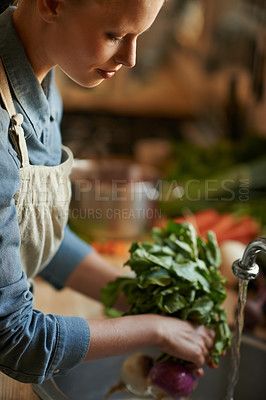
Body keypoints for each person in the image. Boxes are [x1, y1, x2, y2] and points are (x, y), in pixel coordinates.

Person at [0, 0, 216, 388]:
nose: (131, 58)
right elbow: (15, 338)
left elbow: (25, 235)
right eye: (115, 35)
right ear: (51, 4)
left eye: (139, 36)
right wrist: (154, 329)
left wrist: (134, 296)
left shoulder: (43, 79)